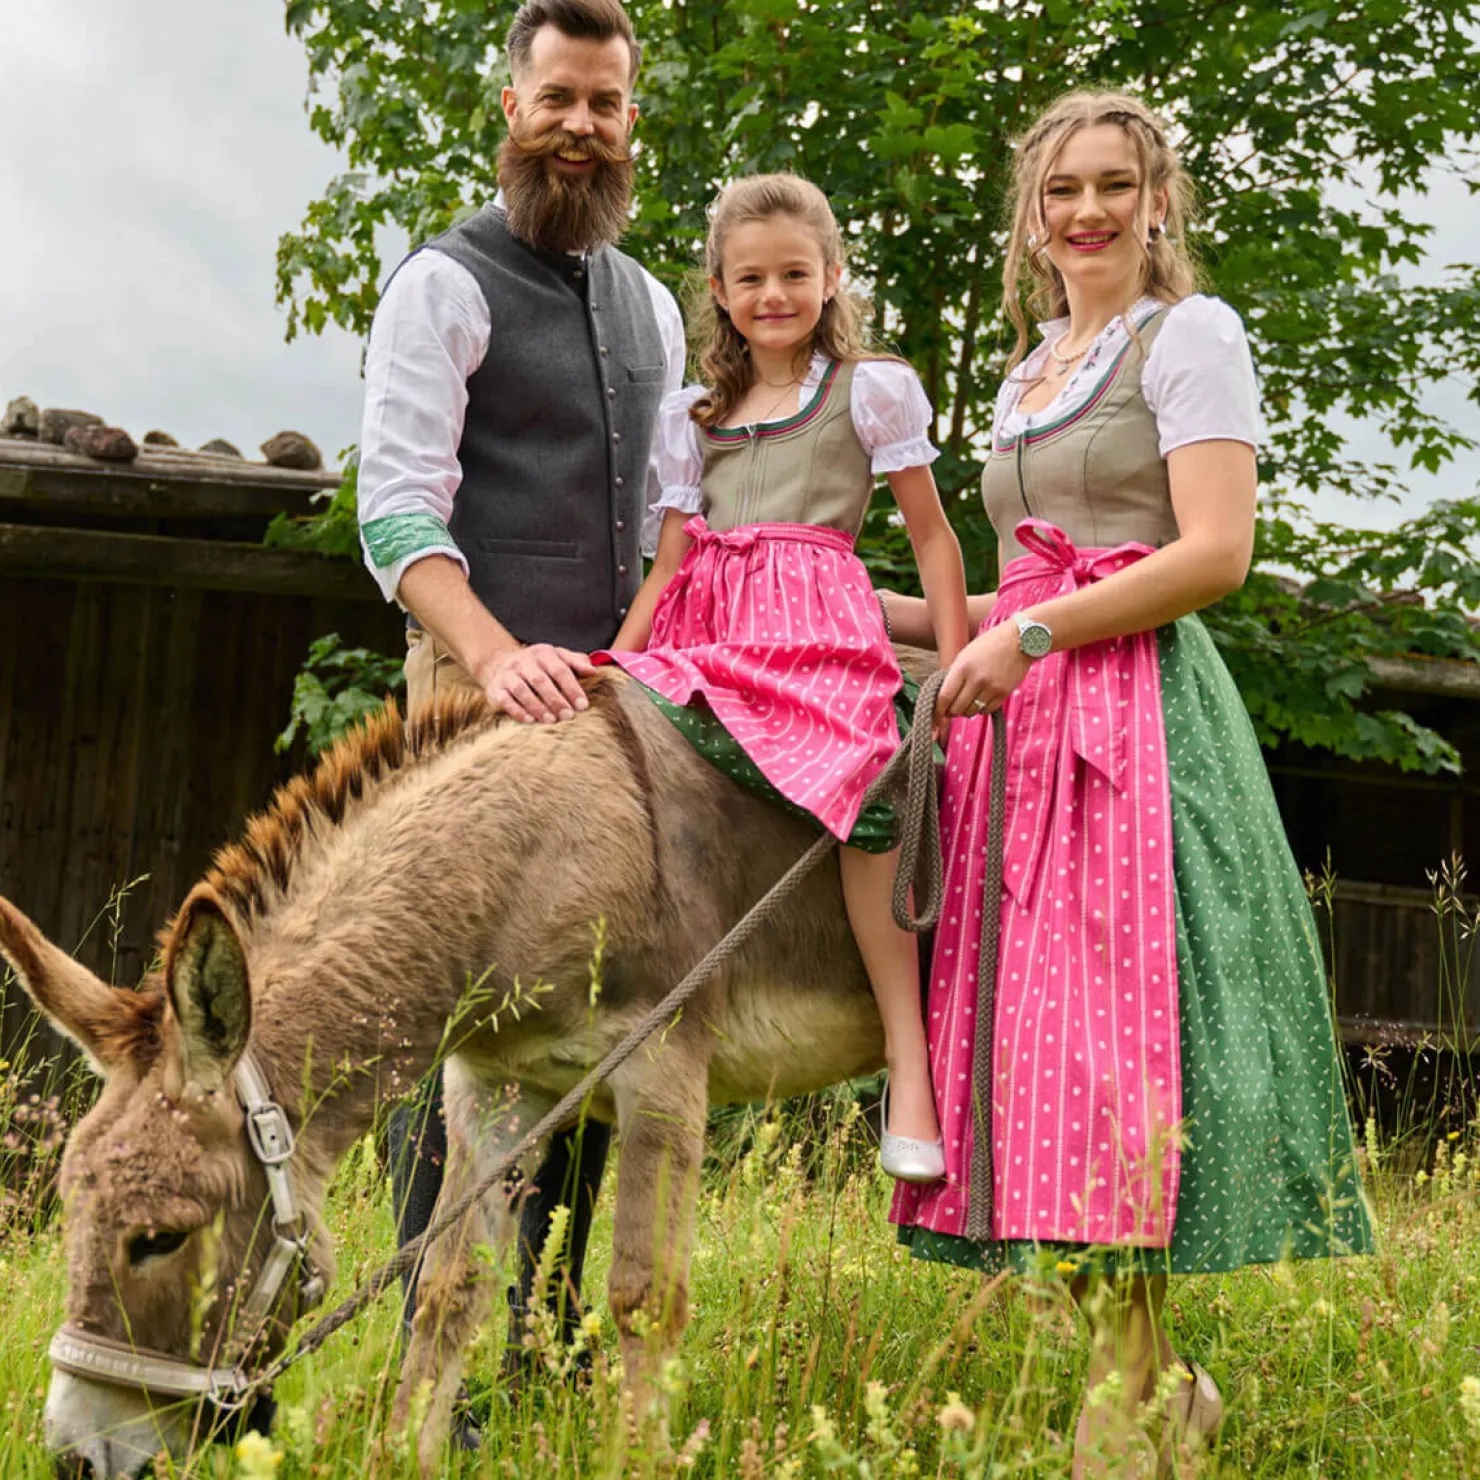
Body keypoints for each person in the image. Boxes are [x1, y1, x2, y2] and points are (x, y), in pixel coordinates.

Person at [885, 93, 1374, 1475]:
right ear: (1033, 219)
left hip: (1135, 731)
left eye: (1115, 186)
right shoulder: (1036, 362)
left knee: (1111, 1084)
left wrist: (1029, 635)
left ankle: (1125, 1426)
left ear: (1160, 200)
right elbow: (1015, 582)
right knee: (1040, 1090)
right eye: (1062, 191)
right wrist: (882, 611)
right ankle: (1168, 1398)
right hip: (1018, 742)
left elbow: (1215, 552)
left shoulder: (1190, 338)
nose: (1088, 212)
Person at [354, 0, 685, 1402]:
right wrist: (495, 657)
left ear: (630, 124)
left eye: (604, 104)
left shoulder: (660, 304)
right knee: (464, 1038)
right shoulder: (442, 284)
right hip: (473, 708)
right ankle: (438, 1349)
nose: (582, 126)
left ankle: (540, 1347)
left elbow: (682, 517)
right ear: (512, 108)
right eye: (559, 98)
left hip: (619, 719)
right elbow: (394, 520)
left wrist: (644, 669)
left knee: (601, 1015)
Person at [595, 173, 970, 1180]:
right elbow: (670, 562)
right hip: (709, 627)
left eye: (794, 274)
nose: (773, 295)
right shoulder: (697, 412)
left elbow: (932, 541)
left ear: (831, 276)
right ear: (717, 287)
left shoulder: (868, 389)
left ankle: (909, 1057)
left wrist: (956, 652)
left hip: (816, 634)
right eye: (750, 277)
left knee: (866, 781)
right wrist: (616, 670)